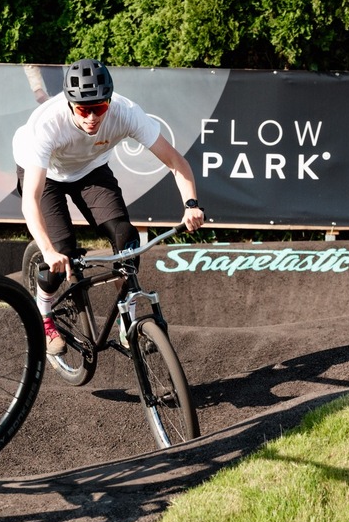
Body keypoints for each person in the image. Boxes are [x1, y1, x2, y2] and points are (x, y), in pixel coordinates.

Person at [12, 58, 205, 355]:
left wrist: (191, 204)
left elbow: (176, 162)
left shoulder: (126, 113)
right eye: (82, 109)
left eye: (99, 108)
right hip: (45, 173)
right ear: (69, 104)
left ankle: (126, 319)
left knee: (126, 238)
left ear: (109, 102)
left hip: (89, 169)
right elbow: (31, 200)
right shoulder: (48, 126)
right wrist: (48, 251)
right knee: (61, 252)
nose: (91, 117)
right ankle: (45, 314)